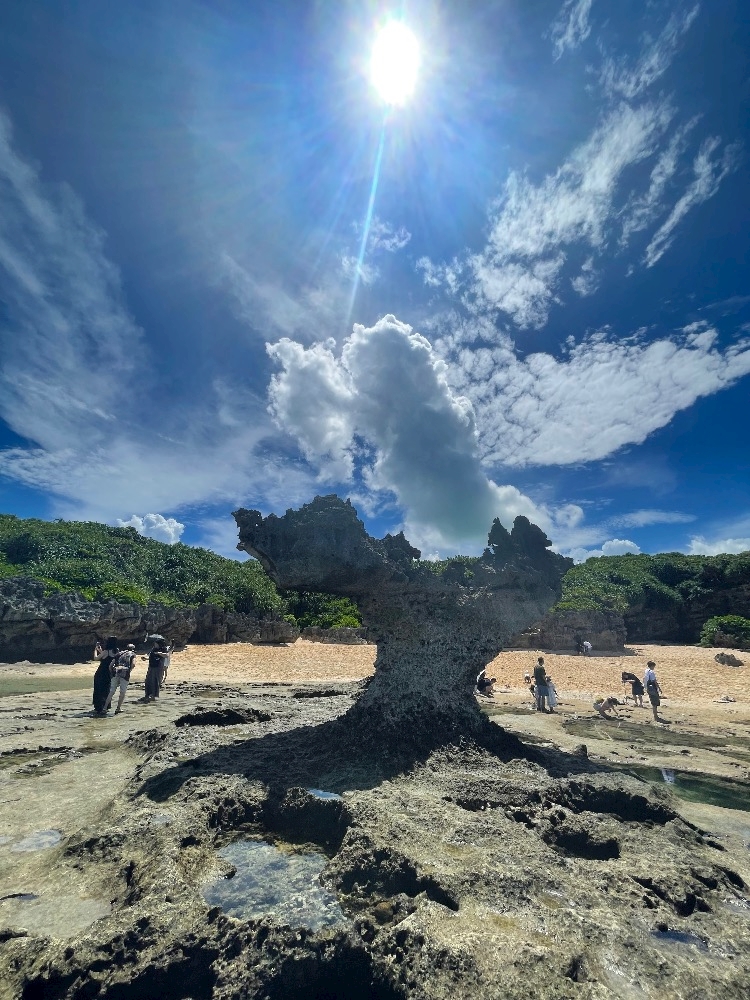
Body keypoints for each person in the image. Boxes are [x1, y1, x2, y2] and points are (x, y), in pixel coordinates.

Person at [105, 644, 136, 715]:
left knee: (111, 691)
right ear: (133, 649)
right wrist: (129, 670)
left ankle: (104, 708)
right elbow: (133, 664)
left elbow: (110, 665)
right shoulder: (133, 654)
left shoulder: (119, 654)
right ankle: (118, 708)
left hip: (116, 672)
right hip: (125, 674)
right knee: (122, 692)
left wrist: (112, 672)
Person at [92, 636, 118, 716]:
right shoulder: (116, 651)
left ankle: (99, 707)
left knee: (98, 689)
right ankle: (106, 706)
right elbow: (106, 657)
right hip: (109, 673)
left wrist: (95, 650)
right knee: (106, 689)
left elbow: (96, 658)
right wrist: (100, 650)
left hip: (101, 672)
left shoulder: (106, 651)